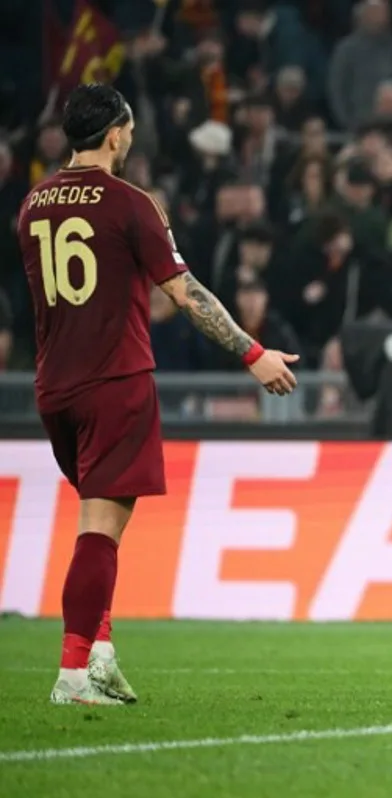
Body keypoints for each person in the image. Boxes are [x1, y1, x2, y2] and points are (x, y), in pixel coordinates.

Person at [16, 84, 298, 706]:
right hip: (114, 382)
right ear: (115, 133)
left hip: (53, 386)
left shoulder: (33, 202)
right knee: (100, 529)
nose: (133, 139)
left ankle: (103, 653)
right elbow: (185, 292)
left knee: (101, 526)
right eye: (131, 129)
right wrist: (254, 354)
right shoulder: (130, 203)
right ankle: (70, 675)